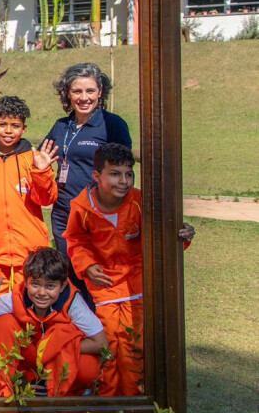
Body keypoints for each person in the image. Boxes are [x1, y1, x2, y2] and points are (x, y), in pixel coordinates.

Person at [63, 143, 195, 396]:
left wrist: (183, 234)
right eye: (114, 174)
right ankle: (110, 403)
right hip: (106, 289)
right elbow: (75, 240)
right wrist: (87, 265)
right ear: (96, 176)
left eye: (129, 174)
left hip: (139, 284)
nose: (123, 181)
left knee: (138, 345)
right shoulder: (82, 207)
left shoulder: (140, 202)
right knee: (111, 346)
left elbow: (164, 235)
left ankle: (137, 399)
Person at [44, 63, 131, 301]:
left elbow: (123, 168)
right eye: (77, 91)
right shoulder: (62, 126)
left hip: (96, 215)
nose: (84, 97)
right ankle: (76, 332)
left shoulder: (112, 124)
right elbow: (38, 154)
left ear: (100, 91)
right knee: (70, 276)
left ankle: (106, 331)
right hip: (63, 214)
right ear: (68, 93)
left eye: (90, 91)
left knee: (98, 276)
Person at [0, 247, 106, 397]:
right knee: (3, 323)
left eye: (50, 286)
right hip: (28, 357)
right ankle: (2, 389)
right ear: (26, 282)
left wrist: (57, 345)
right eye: (35, 284)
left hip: (57, 358)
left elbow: (101, 343)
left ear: (62, 286)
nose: (42, 293)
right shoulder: (15, 297)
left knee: (87, 367)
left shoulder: (73, 303)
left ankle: (65, 393)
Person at [0, 96, 59, 295]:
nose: (8, 131)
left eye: (15, 125)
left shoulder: (33, 159)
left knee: (31, 303)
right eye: (2, 124)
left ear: (24, 129)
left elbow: (46, 199)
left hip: (30, 251)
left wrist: (42, 172)